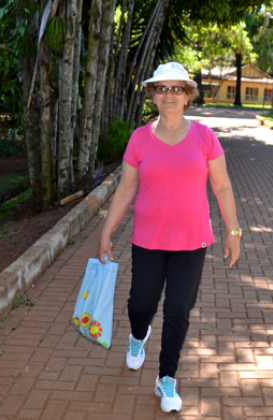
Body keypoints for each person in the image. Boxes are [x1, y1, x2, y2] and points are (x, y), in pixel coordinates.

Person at [97, 62, 241, 413]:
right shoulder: (140, 138)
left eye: (177, 88)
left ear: (188, 95)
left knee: (178, 310)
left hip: (192, 242)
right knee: (140, 306)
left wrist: (233, 232)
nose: (169, 95)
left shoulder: (205, 137)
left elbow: (222, 187)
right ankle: (137, 336)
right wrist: (106, 233)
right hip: (148, 239)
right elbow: (126, 189)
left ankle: (166, 380)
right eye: (162, 88)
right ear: (153, 94)